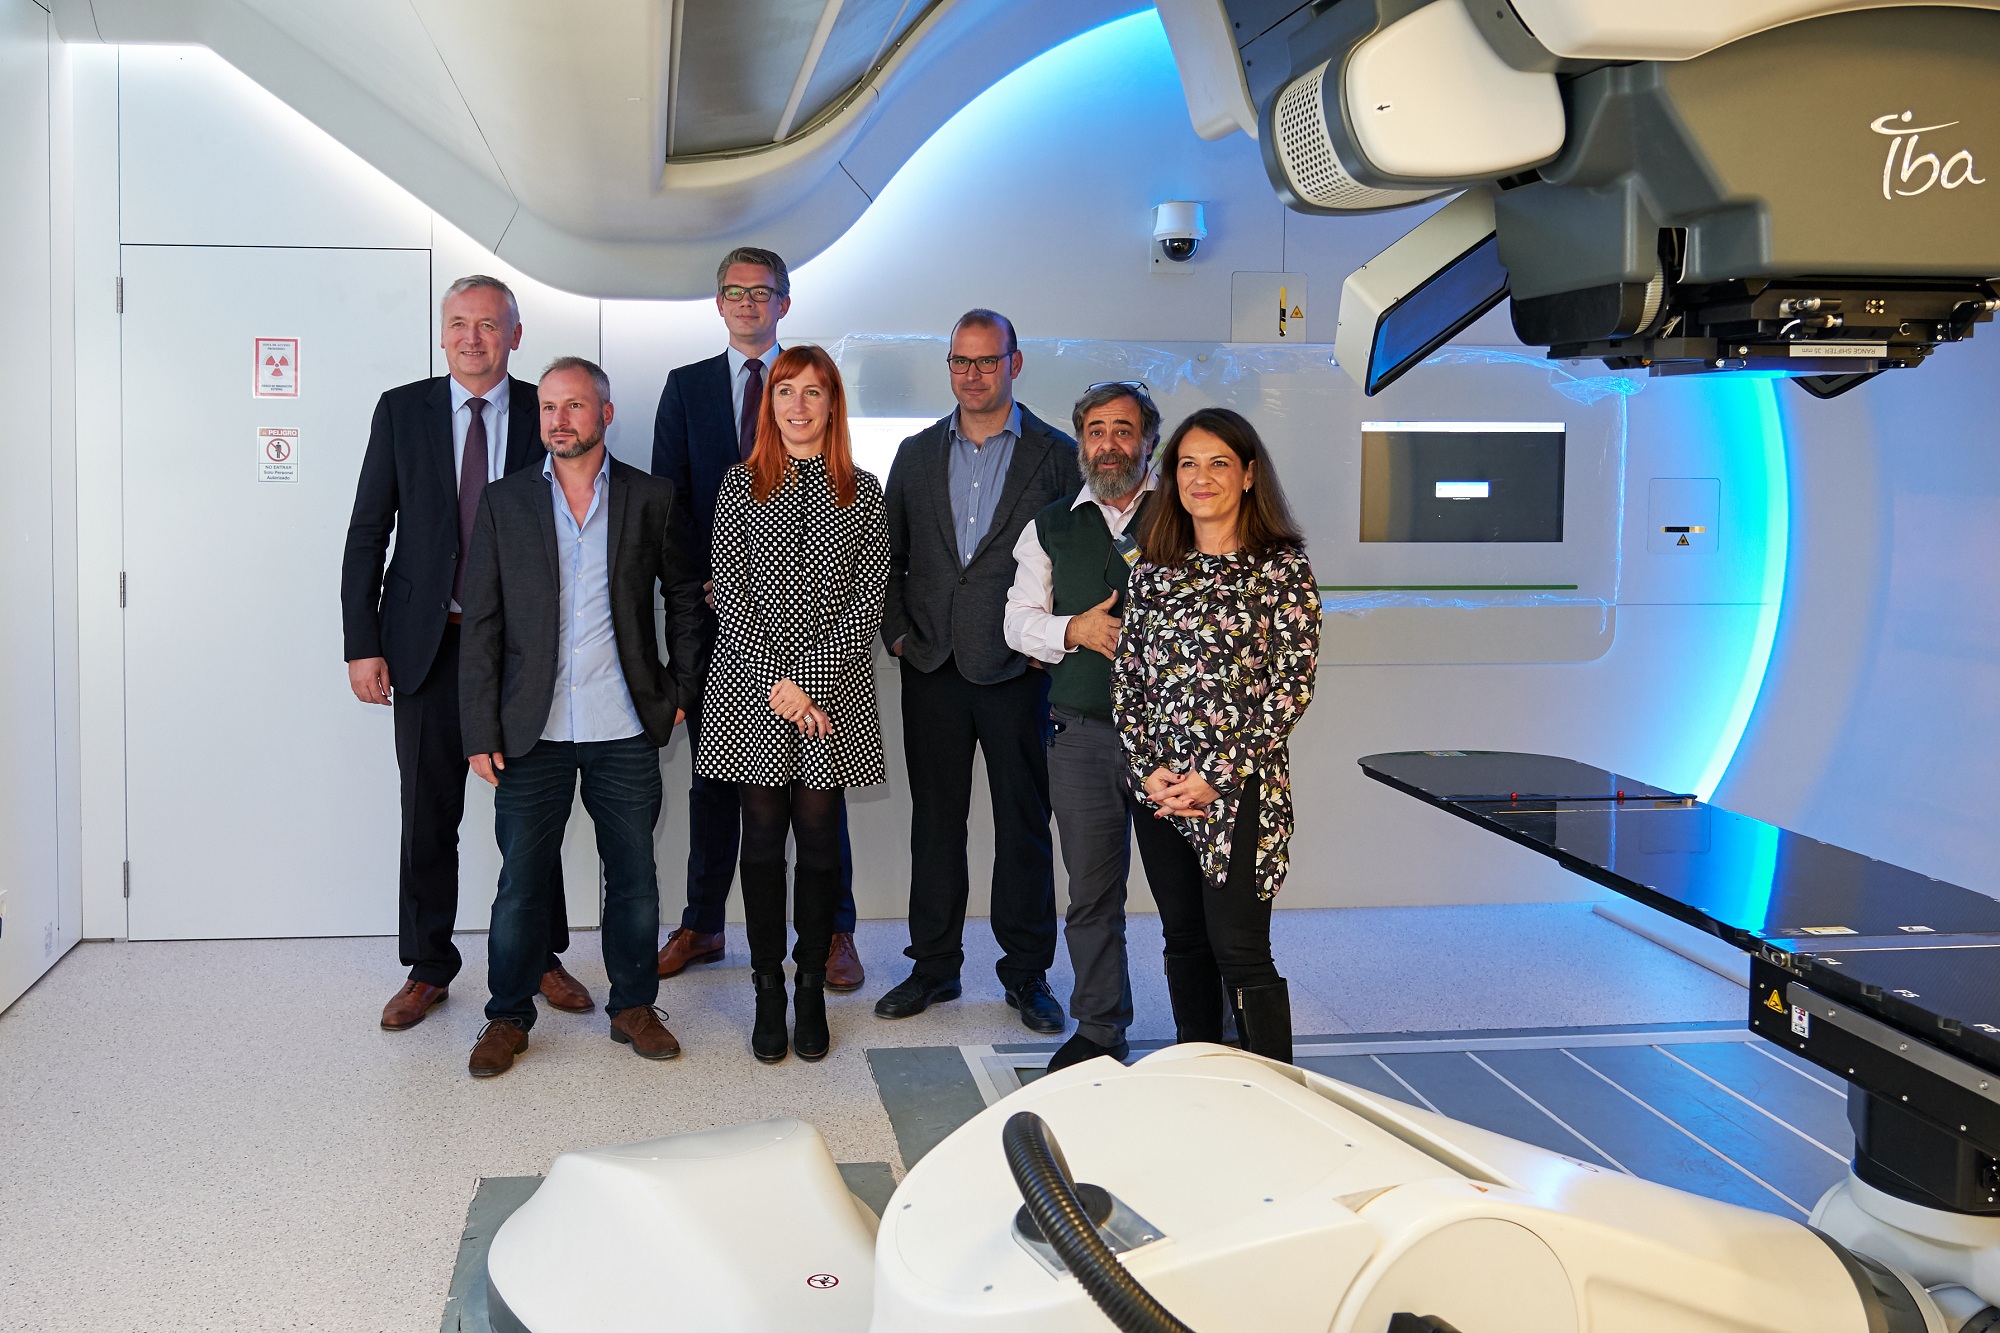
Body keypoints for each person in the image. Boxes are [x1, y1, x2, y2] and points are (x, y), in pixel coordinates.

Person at [341, 275, 589, 1031]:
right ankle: (427, 967)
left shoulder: (544, 409)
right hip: (426, 645)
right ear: (442, 331)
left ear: (515, 335)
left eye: (488, 324)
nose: (472, 338)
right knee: (427, 814)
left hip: (521, 651)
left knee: (530, 815)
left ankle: (541, 956)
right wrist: (362, 643)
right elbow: (367, 530)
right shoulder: (401, 410)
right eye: (459, 323)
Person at [458, 358, 708, 1077]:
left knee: (633, 878)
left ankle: (633, 1007)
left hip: (623, 722)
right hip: (528, 729)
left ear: (604, 413)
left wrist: (681, 686)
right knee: (520, 882)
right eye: (548, 407)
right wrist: (479, 729)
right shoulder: (505, 500)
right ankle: (507, 1016)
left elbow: (686, 596)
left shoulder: (650, 496)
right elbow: (482, 622)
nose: (559, 420)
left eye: (574, 406)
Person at [650, 246, 865, 993]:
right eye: (734, 291)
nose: (747, 302)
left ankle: (834, 929)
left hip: (817, 636)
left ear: (784, 301)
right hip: (719, 619)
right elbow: (671, 501)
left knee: (819, 782)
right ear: (719, 303)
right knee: (716, 783)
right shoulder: (685, 388)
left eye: (761, 291)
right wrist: (705, 589)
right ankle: (703, 922)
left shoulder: (810, 381)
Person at [875, 310, 1076, 1033]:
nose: (973, 374)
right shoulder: (915, 453)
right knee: (935, 824)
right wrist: (898, 634)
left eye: (987, 361)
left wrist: (1050, 639)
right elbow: (887, 555)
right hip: (931, 663)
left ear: (1014, 364)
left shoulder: (1055, 455)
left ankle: (1026, 974)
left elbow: (1077, 556)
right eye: (961, 361)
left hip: (1019, 669)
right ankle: (933, 967)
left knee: (1024, 824)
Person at [697, 346, 889, 1063]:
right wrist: (781, 681)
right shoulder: (739, 484)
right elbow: (730, 593)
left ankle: (810, 987)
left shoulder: (863, 491)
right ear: (769, 403)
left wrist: (807, 682)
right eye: (785, 391)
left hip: (831, 693)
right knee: (760, 843)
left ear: (833, 403)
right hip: (752, 689)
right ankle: (767, 988)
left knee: (818, 843)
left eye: (813, 392)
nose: (798, 405)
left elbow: (868, 600)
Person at [1112, 407, 1319, 1065]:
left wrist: (1215, 777)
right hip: (1161, 791)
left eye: (1219, 463)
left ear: (1249, 475)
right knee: (1184, 941)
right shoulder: (1153, 569)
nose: (1201, 478)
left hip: (1239, 789)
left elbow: (1289, 689)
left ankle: (1271, 1091)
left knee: (1240, 948)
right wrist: (1147, 771)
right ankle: (1198, 1077)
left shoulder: (1281, 570)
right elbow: (1129, 681)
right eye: (1188, 464)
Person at [1005, 382, 1176, 1072]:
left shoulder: (1187, 513)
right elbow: (1017, 622)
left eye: (1123, 430)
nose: (1109, 444)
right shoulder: (1050, 525)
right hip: (1080, 736)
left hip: (1175, 742)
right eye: (1096, 430)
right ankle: (1101, 1028)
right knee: (1092, 896)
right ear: (1081, 442)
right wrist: (1072, 629)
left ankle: (1214, 1028)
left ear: (1148, 441)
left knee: (1190, 895)